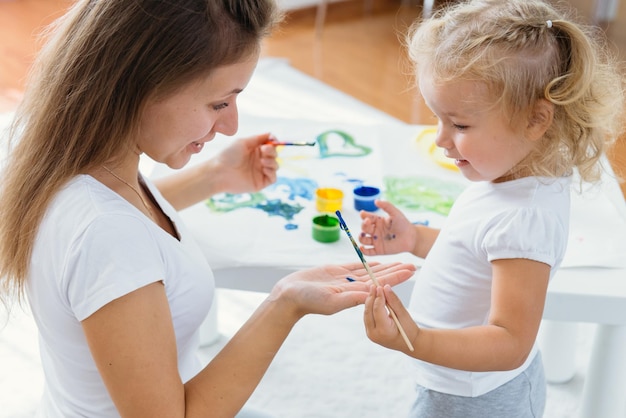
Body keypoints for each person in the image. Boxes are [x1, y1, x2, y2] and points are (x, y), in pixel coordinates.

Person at [0, 1, 417, 417]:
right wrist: (284, 303)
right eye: (219, 103)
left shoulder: (69, 167)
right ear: (143, 85)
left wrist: (216, 176)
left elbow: (126, 215)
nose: (231, 124)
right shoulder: (107, 239)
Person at [358, 0, 625, 417]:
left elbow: (510, 341)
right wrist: (416, 239)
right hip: (466, 383)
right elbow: (475, 252)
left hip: (473, 398)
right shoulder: (508, 179)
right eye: (438, 119)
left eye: (460, 125)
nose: (440, 139)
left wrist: (415, 339)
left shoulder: (525, 218)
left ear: (535, 121)